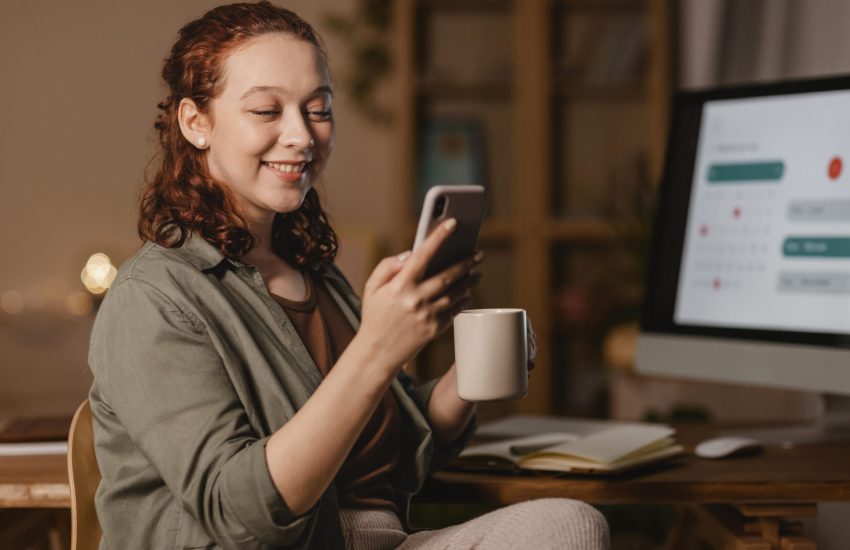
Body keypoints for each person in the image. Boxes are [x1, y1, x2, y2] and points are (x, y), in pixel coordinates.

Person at [87, 2, 610, 549]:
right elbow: (239, 517)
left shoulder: (313, 272)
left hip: (374, 540)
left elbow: (389, 444)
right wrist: (377, 349)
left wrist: (467, 379)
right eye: (266, 111)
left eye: (318, 109)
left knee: (568, 525)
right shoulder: (152, 299)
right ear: (196, 123)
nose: (301, 136)